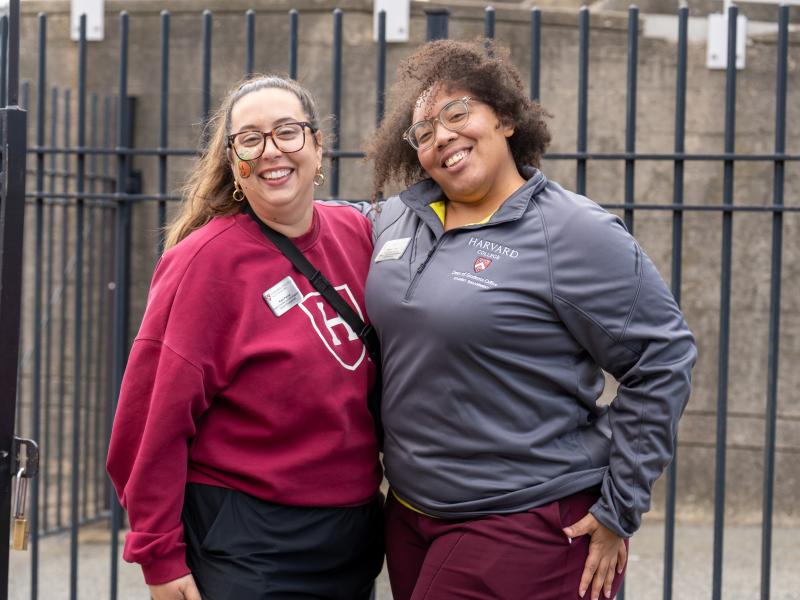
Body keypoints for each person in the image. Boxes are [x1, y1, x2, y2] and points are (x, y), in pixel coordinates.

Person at [363, 39, 697, 600]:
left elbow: (663, 358)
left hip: (523, 521)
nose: (441, 135)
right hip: (412, 514)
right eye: (423, 132)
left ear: (507, 118)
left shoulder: (573, 233)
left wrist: (620, 505)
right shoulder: (395, 220)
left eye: (458, 112)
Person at [107, 75, 383, 600]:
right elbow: (150, 420)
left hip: (351, 536)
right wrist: (158, 555)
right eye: (250, 139)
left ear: (318, 144)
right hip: (249, 540)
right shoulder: (204, 263)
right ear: (234, 159)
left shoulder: (358, 235)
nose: (271, 151)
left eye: (287, 132)